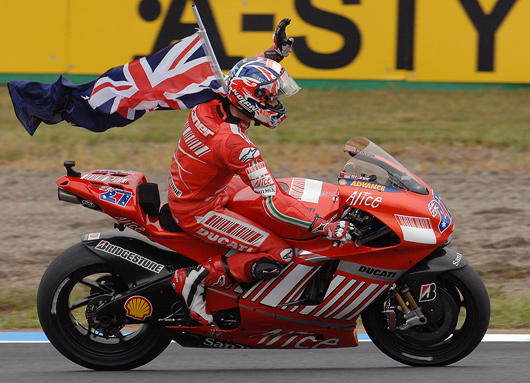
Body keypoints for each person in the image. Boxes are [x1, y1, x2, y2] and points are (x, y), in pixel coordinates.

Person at [169, 18, 352, 325]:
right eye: (270, 97)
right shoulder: (235, 144)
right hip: (198, 209)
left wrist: (276, 54)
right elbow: (273, 199)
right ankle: (194, 279)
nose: (275, 102)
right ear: (250, 100)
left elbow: (247, 76)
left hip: (208, 187)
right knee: (278, 253)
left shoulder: (213, 97)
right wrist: (323, 227)